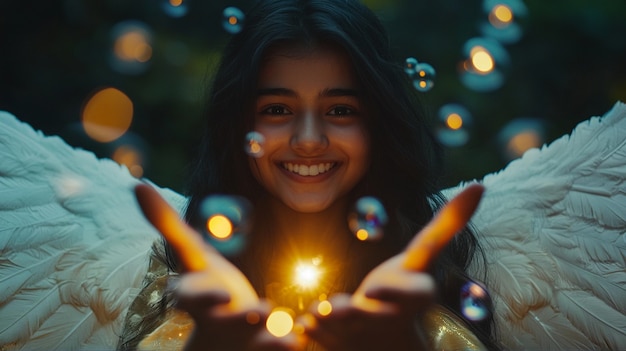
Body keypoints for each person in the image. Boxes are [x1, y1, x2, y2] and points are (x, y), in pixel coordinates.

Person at [117, 0, 498, 350]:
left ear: (379, 124)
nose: (309, 141)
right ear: (236, 125)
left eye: (341, 110)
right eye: (278, 110)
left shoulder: (421, 286)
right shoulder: (194, 284)